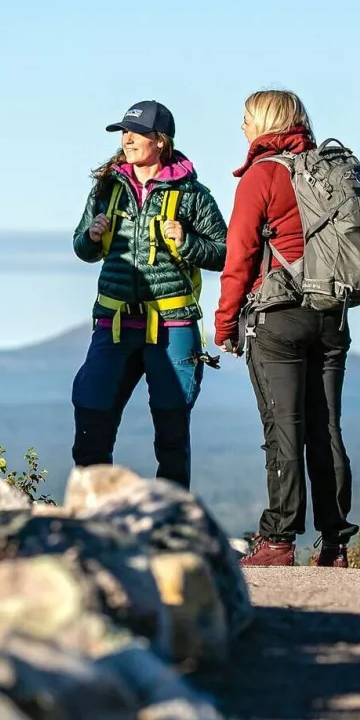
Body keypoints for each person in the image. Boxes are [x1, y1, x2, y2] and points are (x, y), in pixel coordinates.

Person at [217, 90, 359, 567]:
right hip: (332, 314)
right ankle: (336, 543)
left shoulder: (263, 175)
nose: (241, 127)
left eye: (245, 119)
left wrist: (225, 325)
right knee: (327, 429)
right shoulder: (328, 170)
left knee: (283, 428)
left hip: (277, 318)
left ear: (262, 122)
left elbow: (238, 256)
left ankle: (278, 541)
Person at [71, 101, 227, 488]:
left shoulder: (193, 195)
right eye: (123, 132)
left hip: (173, 327)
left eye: (136, 133)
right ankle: (92, 515)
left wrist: (187, 242)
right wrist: (91, 237)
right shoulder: (108, 189)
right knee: (91, 416)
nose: (126, 139)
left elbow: (223, 251)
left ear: (161, 141)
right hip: (114, 325)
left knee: (171, 432)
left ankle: (170, 523)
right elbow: (81, 246)